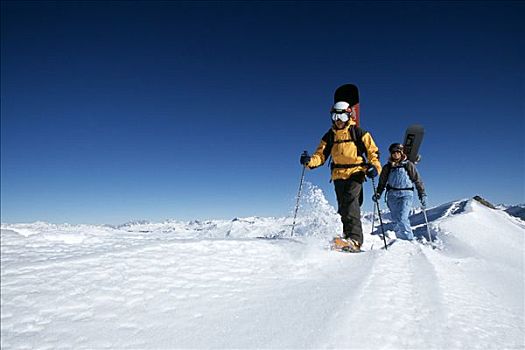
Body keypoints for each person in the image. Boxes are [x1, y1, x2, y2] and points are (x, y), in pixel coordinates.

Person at [300, 101, 381, 252]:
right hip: (338, 176)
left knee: (351, 204)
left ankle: (355, 240)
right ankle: (347, 236)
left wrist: (375, 167)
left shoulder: (359, 132)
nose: (338, 119)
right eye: (335, 115)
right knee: (343, 208)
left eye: (342, 116)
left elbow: (373, 152)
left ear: (349, 116)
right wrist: (309, 161)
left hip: (356, 173)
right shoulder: (329, 136)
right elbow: (321, 155)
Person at [372, 143, 427, 241]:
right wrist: (378, 193)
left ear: (401, 153)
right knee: (395, 219)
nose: (395, 154)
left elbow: (417, 179)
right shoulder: (387, 167)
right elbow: (382, 182)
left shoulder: (408, 165)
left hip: (406, 195)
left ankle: (410, 240)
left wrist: (422, 193)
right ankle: (398, 241)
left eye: (398, 152)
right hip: (392, 196)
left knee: (402, 218)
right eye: (393, 152)